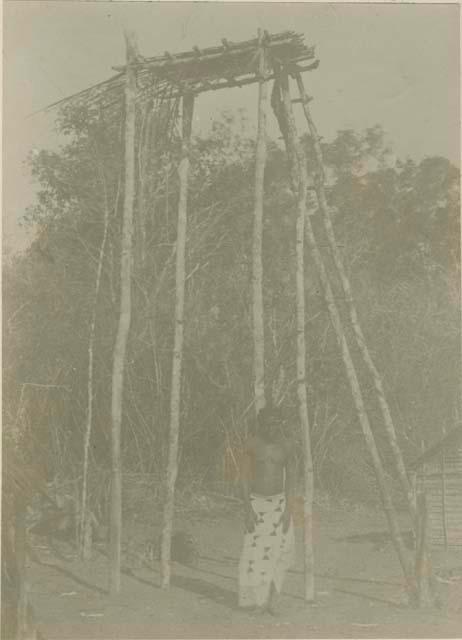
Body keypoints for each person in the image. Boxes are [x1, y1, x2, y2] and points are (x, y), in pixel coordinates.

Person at [238, 405, 296, 614]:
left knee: (280, 553)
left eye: (276, 424)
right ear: (261, 425)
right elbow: (244, 478)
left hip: (279, 504)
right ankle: (259, 601)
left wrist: (289, 509)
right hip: (257, 504)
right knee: (255, 554)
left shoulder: (287, 446)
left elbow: (291, 479)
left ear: (280, 424)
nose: (272, 429)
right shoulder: (251, 444)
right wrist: (247, 508)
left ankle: (273, 600)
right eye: (268, 425)